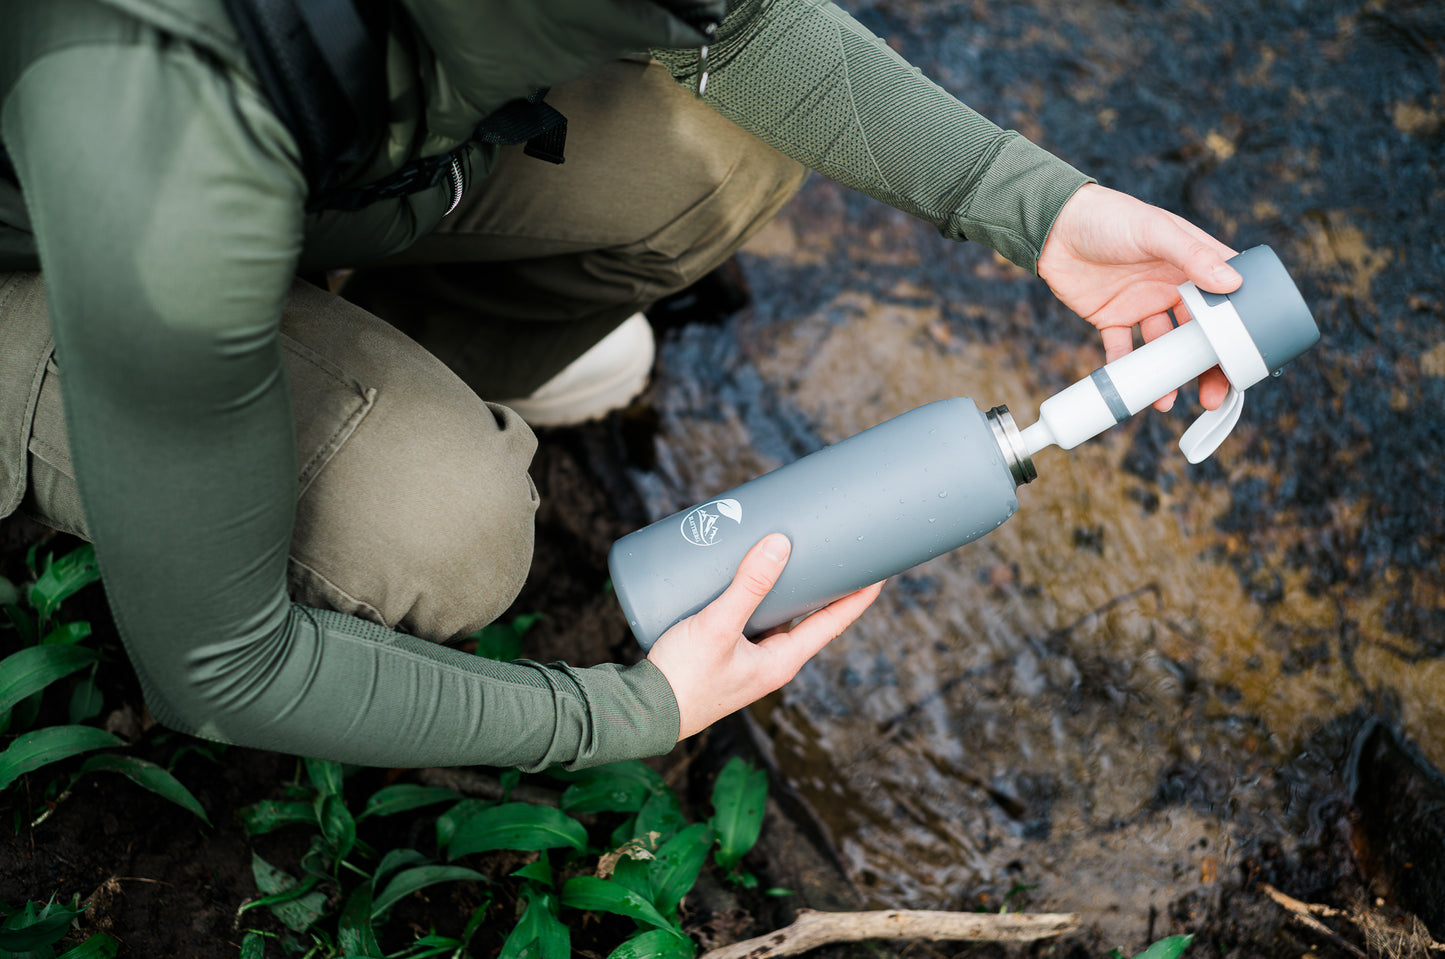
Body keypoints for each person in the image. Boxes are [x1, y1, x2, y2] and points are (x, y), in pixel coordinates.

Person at [0, 0, 1240, 771]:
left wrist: (1035, 207)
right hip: (79, 235)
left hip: (342, 134)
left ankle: (351, 354)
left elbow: (745, 30)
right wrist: (621, 712)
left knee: (726, 148)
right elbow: (217, 668)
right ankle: (264, 426)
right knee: (449, 525)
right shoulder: (154, 140)